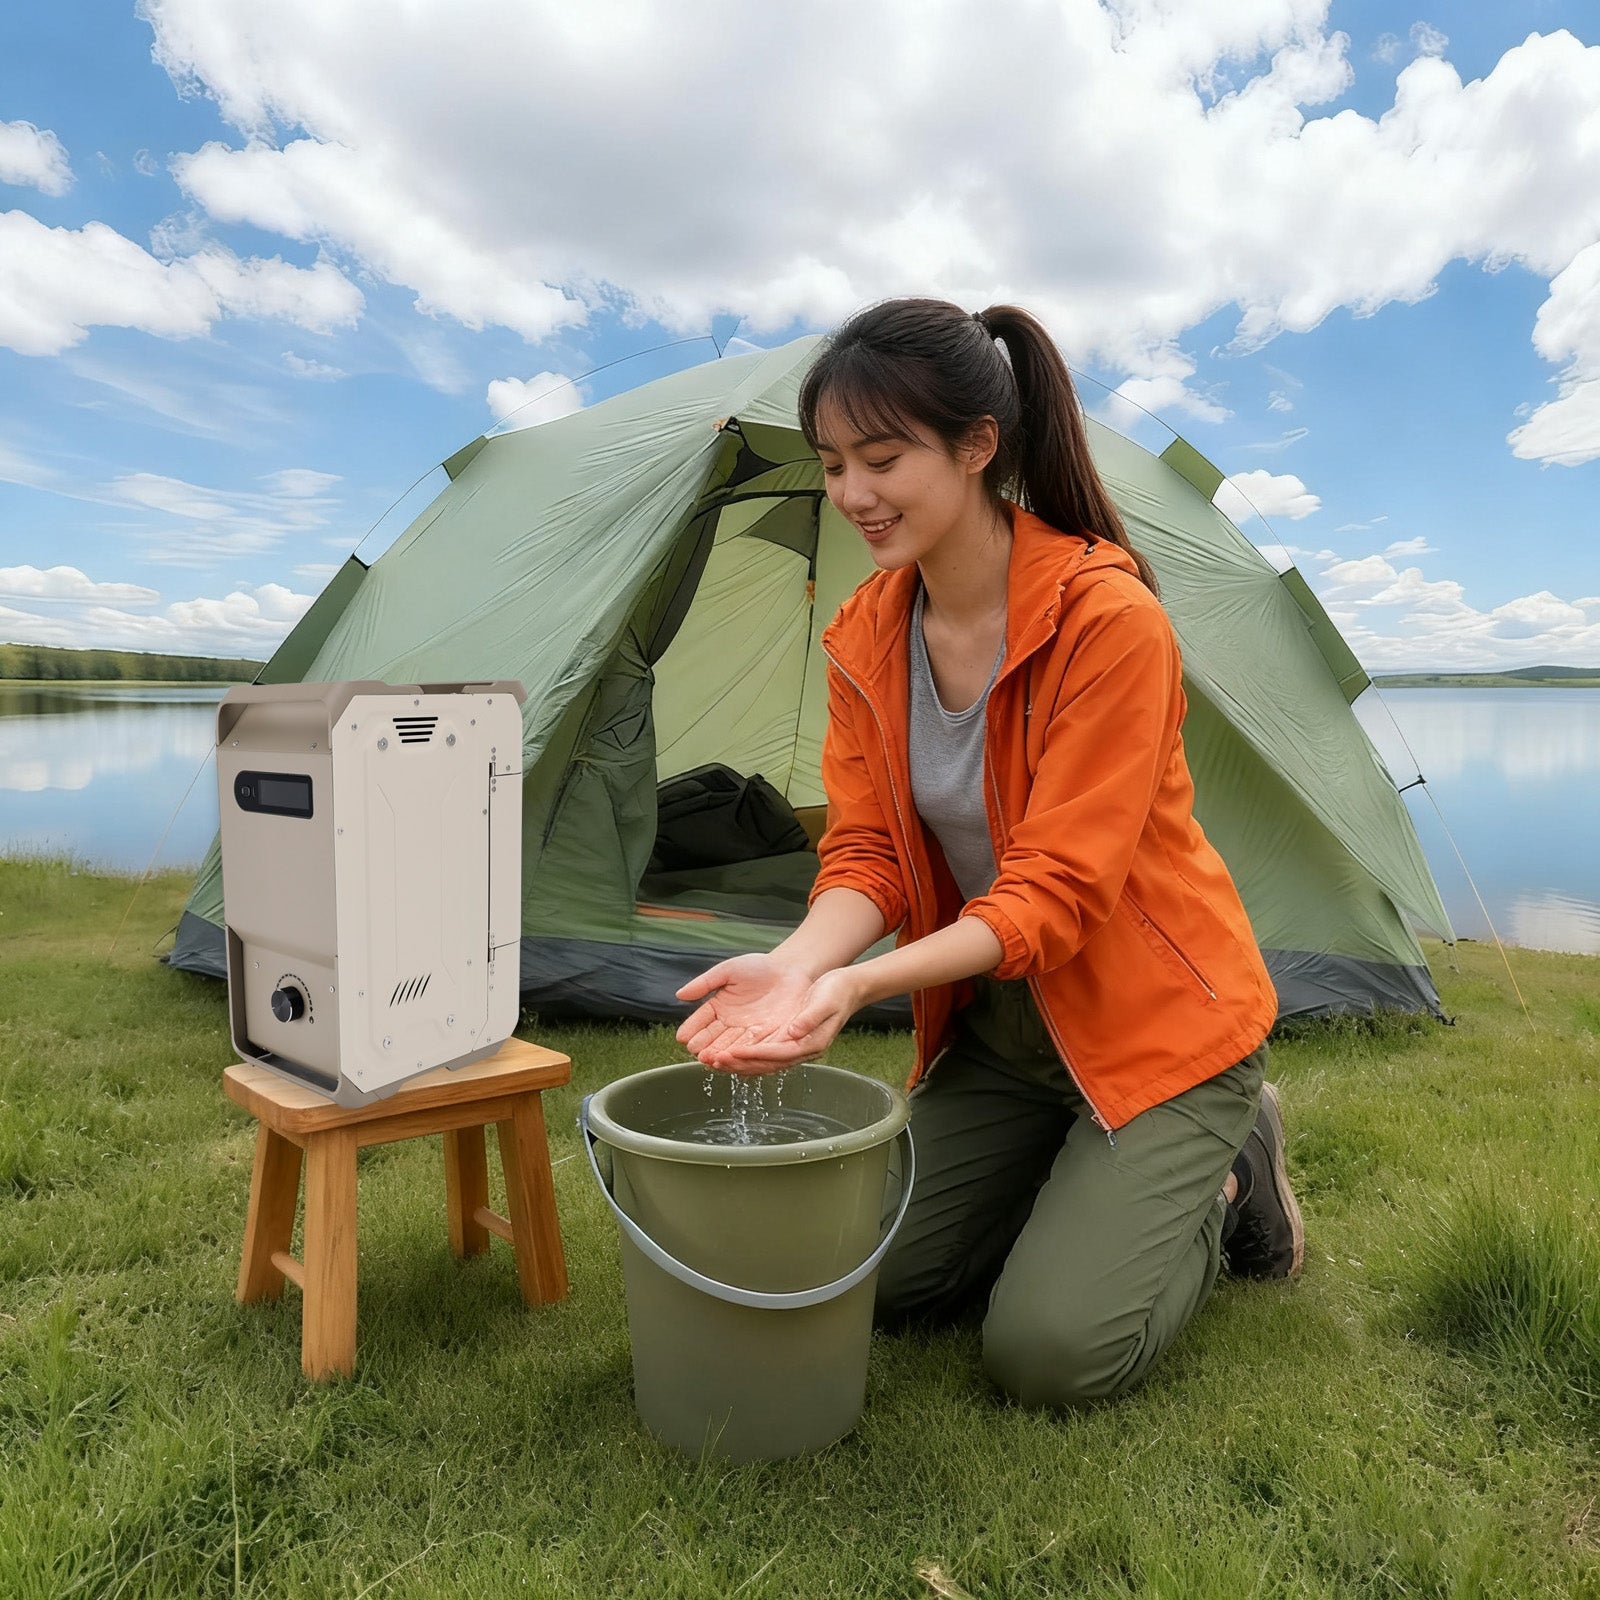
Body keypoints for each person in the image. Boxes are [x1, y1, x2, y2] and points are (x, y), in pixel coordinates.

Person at [675, 298, 1303, 1410]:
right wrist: (800, 964)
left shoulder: (1107, 617)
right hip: (1006, 1033)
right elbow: (866, 852)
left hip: (1152, 1025)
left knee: (1046, 1355)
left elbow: (1055, 896)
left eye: (882, 457)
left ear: (976, 446)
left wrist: (860, 981)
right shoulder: (867, 632)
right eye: (832, 464)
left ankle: (1228, 1173)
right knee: (868, 1280)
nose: (853, 494)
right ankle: (1081, 1193)